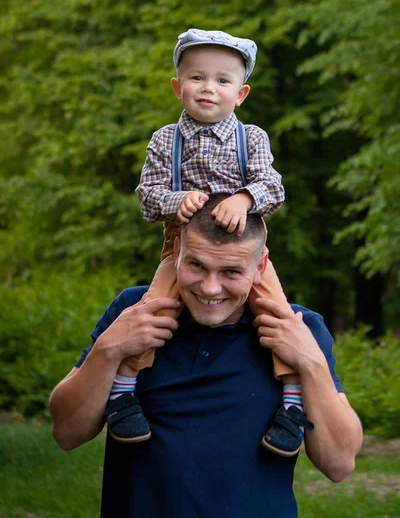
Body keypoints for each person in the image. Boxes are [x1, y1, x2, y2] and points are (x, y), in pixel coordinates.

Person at [49, 194, 363, 518]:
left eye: (230, 271)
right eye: (197, 265)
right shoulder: (135, 313)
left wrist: (310, 362)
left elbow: (339, 465)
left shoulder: (297, 328)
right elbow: (66, 433)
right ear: (176, 254)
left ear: (260, 267)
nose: (210, 288)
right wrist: (109, 348)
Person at [109, 28, 306, 455]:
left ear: (241, 94)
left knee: (279, 315)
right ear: (178, 87)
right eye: (197, 78)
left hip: (244, 251)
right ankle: (122, 392)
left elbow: (273, 185)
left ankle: (293, 404)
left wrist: (244, 196)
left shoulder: (250, 138)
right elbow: (147, 195)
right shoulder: (166, 139)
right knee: (151, 308)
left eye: (222, 80)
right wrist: (176, 200)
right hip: (183, 249)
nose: (208, 88)